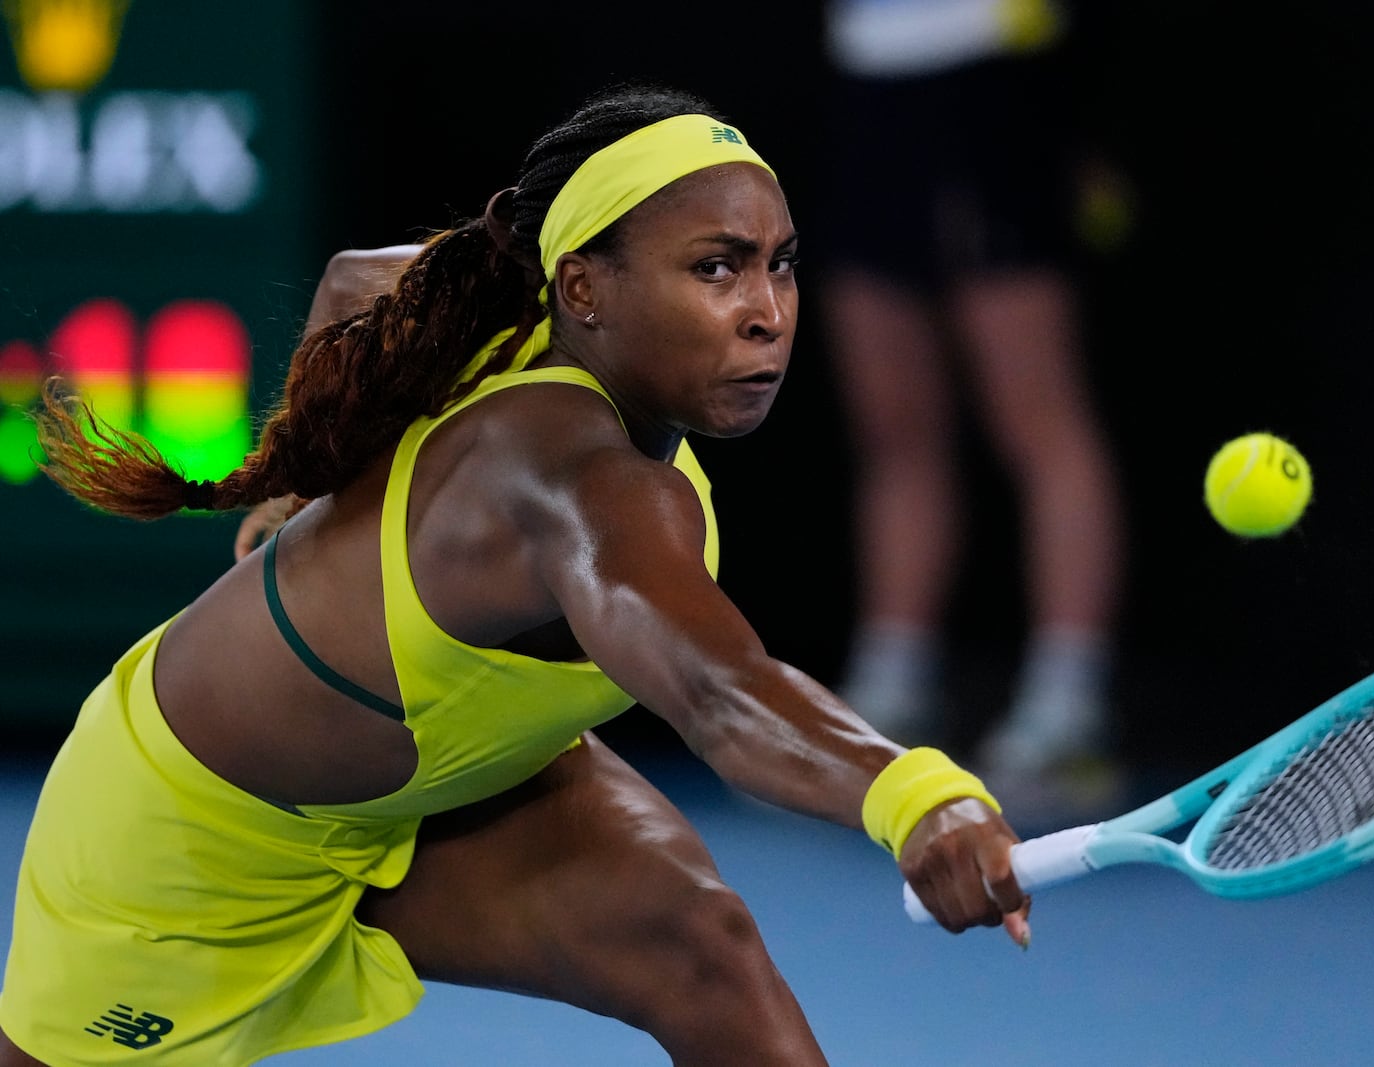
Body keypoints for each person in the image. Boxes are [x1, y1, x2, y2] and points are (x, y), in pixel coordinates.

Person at [0, 84, 1030, 1067]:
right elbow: (718, 692)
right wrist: (913, 794)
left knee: (698, 947)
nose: (767, 311)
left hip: (441, 786)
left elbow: (359, 273)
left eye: (780, 263)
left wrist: (302, 482)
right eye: (716, 268)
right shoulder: (569, 477)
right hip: (183, 841)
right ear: (583, 285)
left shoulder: (513, 306)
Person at [818, 0, 1127, 818]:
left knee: (1040, 418)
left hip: (996, 70)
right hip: (866, 76)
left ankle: (1068, 708)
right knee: (893, 422)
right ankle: (892, 692)